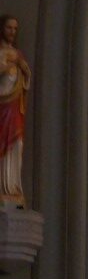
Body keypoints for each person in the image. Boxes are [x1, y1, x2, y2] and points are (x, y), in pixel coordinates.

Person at [0, 15, 31, 206]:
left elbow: (26, 78)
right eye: (9, 27)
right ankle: (2, 187)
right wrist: (8, 66)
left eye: (15, 28)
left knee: (17, 144)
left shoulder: (18, 55)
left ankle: (12, 186)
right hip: (2, 107)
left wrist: (24, 70)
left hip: (14, 108)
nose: (12, 31)